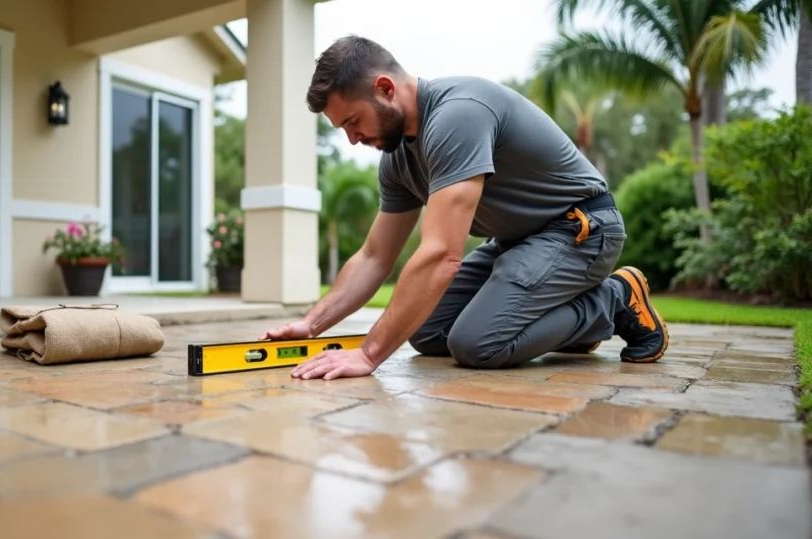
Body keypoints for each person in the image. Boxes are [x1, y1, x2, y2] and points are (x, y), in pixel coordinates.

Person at [260, 35, 669, 381]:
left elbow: (441, 256)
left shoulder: (458, 115)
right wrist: (311, 324)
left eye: (353, 121)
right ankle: (564, 317)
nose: (352, 139)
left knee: (477, 344)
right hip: (518, 243)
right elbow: (374, 256)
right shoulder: (398, 159)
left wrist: (368, 355)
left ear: (385, 88)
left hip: (581, 229)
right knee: (428, 331)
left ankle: (612, 300)